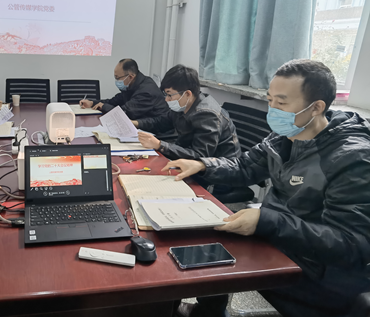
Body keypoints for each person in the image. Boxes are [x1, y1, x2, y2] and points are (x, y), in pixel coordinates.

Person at [163, 59, 370, 317]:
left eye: (281, 103)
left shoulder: (353, 159)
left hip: (321, 269)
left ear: (316, 107)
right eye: (270, 100)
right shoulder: (285, 135)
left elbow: (352, 244)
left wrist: (268, 221)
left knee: (216, 251)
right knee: (206, 237)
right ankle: (206, 312)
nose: (272, 110)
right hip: (280, 237)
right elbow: (245, 166)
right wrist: (203, 165)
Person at [133, 64, 240, 161]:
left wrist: (160, 145)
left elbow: (200, 156)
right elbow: (161, 122)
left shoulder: (207, 115)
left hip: (220, 170)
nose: (166, 99)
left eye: (170, 95)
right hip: (191, 161)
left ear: (187, 94)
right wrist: (135, 124)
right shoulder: (183, 105)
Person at [79, 59, 168, 120]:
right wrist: (92, 103)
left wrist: (103, 106)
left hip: (157, 133)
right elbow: (113, 101)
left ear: (130, 77)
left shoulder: (146, 91)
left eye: (118, 78)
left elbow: (125, 113)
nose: (117, 81)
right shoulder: (132, 85)